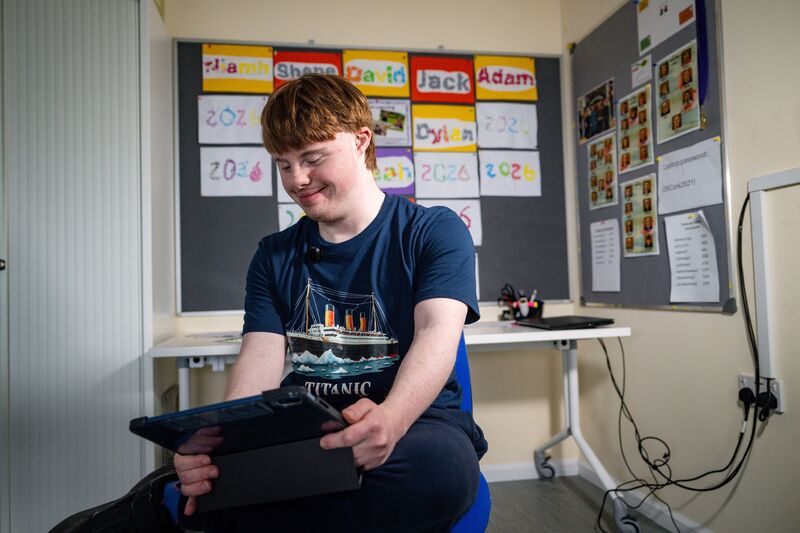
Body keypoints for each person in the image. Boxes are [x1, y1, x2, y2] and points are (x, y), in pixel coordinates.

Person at [54, 74, 487, 533]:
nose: (297, 180)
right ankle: (181, 506)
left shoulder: (434, 230)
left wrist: (392, 420)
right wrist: (221, 444)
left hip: (420, 425)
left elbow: (438, 331)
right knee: (226, 479)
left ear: (362, 141)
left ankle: (172, 510)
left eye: (312, 158)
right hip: (307, 427)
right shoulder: (273, 254)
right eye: (283, 164)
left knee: (438, 478)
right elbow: (259, 360)